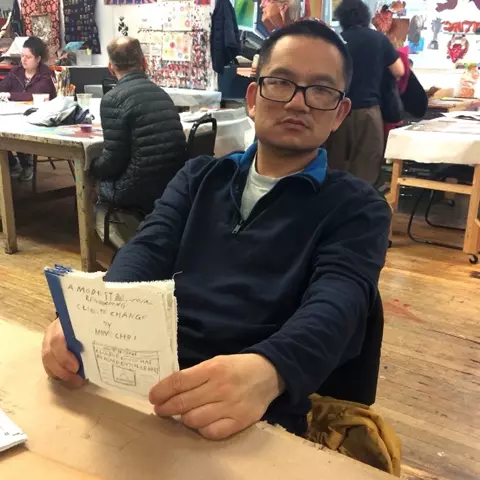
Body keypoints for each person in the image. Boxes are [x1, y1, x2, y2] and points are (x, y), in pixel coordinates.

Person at [41, 21, 391, 441]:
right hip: (149, 383)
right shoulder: (199, 178)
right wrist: (90, 319)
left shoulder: (357, 207)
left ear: (340, 114)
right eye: (281, 82)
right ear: (253, 98)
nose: (298, 103)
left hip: (258, 409)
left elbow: (340, 302)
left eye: (321, 90)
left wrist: (270, 370)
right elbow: (147, 249)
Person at [89, 37, 187, 226]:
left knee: (92, 180)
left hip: (136, 187)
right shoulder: (162, 94)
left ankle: (112, 236)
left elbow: (113, 160)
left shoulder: (113, 99)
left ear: (110, 67)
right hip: (172, 180)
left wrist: (92, 169)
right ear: (144, 62)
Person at [325, 0, 405, 185]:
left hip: (336, 112)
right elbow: (399, 70)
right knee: (366, 170)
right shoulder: (378, 39)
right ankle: (360, 202)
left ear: (342, 18)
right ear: (366, 16)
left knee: (333, 167)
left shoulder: (336, 40)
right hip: (368, 112)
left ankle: (334, 201)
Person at [0, 36, 57, 181]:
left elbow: (36, 95)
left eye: (28, 57)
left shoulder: (46, 75)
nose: (23, 60)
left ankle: (27, 164)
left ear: (38, 58)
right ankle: (12, 163)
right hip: (13, 114)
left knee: (16, 129)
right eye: (22, 56)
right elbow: (3, 87)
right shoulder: (16, 72)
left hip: (38, 117)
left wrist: (9, 95)